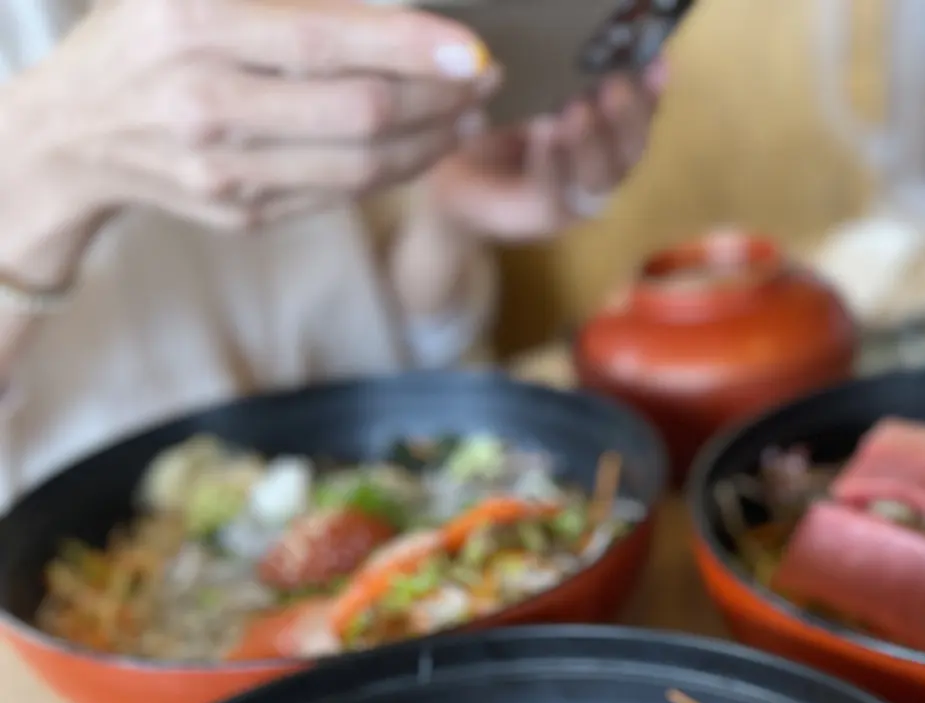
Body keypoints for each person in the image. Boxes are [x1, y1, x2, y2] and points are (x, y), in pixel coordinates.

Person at [0, 0, 664, 505]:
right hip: (85, 608)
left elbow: (376, 340)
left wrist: (446, 215)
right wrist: (45, 160)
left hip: (402, 510)